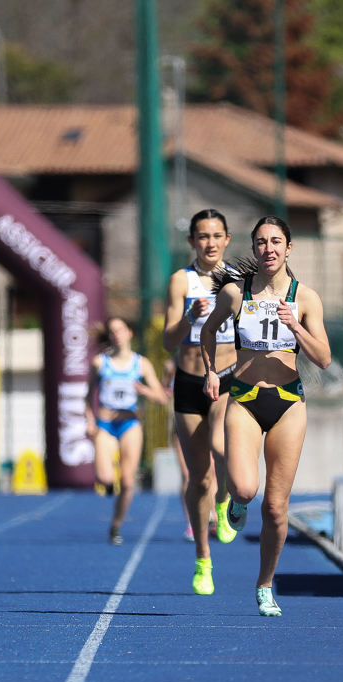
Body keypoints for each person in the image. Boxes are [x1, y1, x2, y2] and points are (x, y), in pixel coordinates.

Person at [201, 216, 331, 616]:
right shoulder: (235, 294)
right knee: (243, 490)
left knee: (275, 508)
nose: (268, 249)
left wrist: (296, 327)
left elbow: (324, 358)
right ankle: (236, 503)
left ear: (288, 248)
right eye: (261, 242)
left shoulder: (305, 297)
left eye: (276, 242)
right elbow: (208, 331)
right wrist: (211, 370)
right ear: (254, 248)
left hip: (288, 403)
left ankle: (264, 585)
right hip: (244, 399)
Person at [163, 209, 238, 595]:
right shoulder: (182, 280)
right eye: (203, 236)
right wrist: (188, 318)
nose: (210, 243)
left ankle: (223, 502)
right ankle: (203, 558)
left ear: (227, 239)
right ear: (192, 241)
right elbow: (168, 341)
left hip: (226, 379)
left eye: (217, 235)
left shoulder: (239, 280)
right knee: (198, 478)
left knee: (221, 448)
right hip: (189, 382)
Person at [86, 317, 169, 545]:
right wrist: (90, 420)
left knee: (127, 482)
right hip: (105, 425)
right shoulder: (100, 362)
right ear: (109, 336)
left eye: (120, 330)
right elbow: (88, 395)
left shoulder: (141, 364)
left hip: (130, 424)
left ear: (129, 333)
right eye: (112, 331)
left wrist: (144, 391)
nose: (117, 335)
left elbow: (161, 398)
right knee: (104, 477)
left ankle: (116, 526)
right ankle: (108, 483)